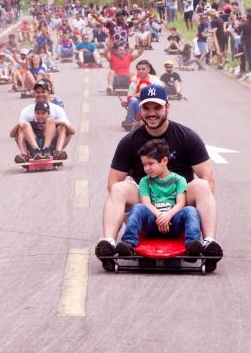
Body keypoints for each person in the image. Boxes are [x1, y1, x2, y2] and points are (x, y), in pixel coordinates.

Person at [95, 85, 222, 271]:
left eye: (157, 108)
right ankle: (109, 244)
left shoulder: (187, 137)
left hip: (180, 201)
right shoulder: (129, 141)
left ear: (167, 107)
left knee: (202, 185)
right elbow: (112, 182)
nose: (152, 113)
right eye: (147, 108)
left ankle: (208, 243)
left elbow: (209, 179)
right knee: (119, 188)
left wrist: (191, 215)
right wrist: (127, 216)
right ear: (140, 110)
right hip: (145, 202)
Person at [114, 139, 203, 257]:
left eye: (151, 164)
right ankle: (129, 243)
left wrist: (168, 215)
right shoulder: (145, 181)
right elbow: (146, 203)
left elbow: (181, 203)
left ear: (164, 160)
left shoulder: (179, 180)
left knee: (191, 211)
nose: (147, 168)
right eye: (144, 164)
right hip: (152, 224)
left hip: (173, 223)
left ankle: (192, 244)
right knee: (138, 207)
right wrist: (160, 216)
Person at [11, 80, 74, 162]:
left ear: (48, 93)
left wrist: (60, 122)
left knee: (63, 127)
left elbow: (71, 132)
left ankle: (57, 152)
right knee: (20, 128)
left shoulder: (57, 109)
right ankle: (25, 154)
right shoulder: (26, 110)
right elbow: (14, 134)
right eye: (38, 92)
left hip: (51, 143)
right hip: (33, 143)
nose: (40, 94)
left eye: (43, 92)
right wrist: (20, 125)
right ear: (34, 93)